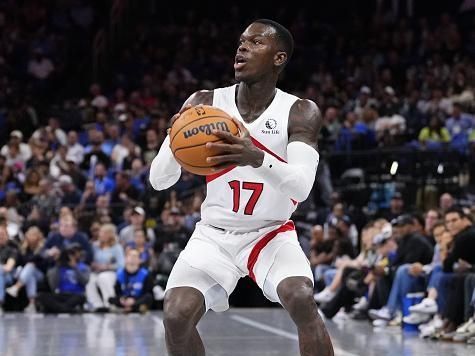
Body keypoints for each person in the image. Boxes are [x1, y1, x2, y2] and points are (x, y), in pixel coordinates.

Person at [149, 19, 333, 356]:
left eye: (255, 42)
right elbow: (159, 180)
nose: (242, 47)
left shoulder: (299, 111)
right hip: (215, 235)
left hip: (270, 233)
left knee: (302, 298)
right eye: (241, 41)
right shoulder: (205, 103)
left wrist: (256, 157)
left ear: (278, 58)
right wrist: (171, 139)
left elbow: (302, 186)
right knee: (175, 315)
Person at [109, 248, 154, 313]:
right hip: (125, 299)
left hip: (138, 299)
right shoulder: (120, 274)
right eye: (130, 256)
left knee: (148, 297)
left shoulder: (145, 274)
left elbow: (148, 292)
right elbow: (117, 292)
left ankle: (132, 307)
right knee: (110, 299)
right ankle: (133, 308)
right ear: (126, 259)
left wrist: (134, 301)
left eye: (135, 256)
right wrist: (122, 299)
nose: (132, 258)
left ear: (139, 260)